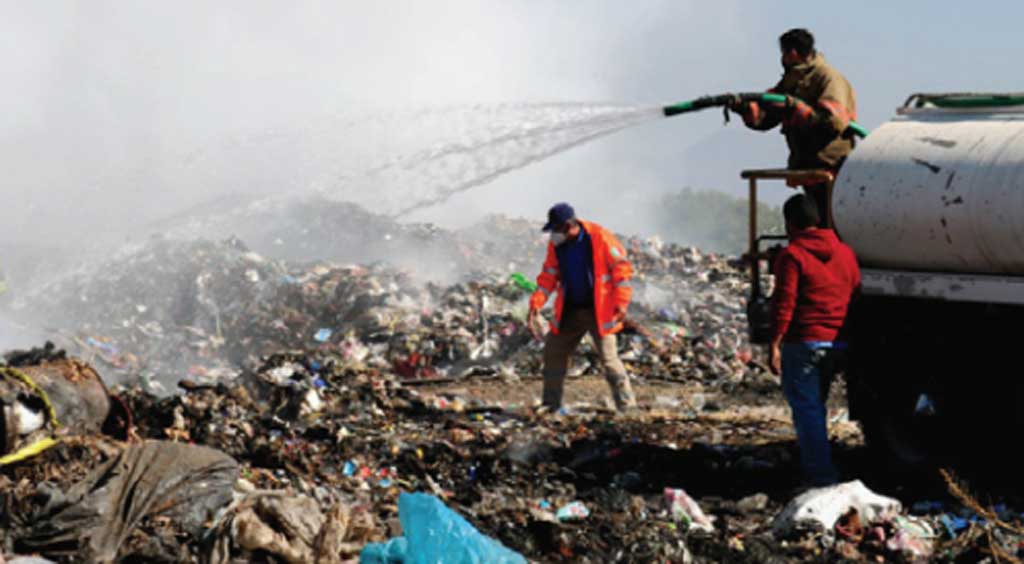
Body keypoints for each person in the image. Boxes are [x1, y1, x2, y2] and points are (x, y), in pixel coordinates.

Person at [770, 194, 861, 487]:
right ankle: (820, 467)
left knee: (808, 410)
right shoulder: (845, 253)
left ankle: (821, 478)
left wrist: (775, 342)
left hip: (805, 342)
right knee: (816, 406)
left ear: (790, 223)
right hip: (840, 342)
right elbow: (855, 290)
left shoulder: (793, 255)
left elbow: (786, 301)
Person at [733, 28, 857, 226]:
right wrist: (745, 109)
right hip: (808, 168)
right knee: (813, 224)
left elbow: (834, 123)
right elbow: (766, 118)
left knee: (830, 225)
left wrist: (800, 110)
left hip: (831, 169)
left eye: (783, 53)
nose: (782, 59)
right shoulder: (792, 81)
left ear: (791, 53)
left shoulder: (827, 78)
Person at [527, 203, 637, 413]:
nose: (553, 236)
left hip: (601, 311)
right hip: (571, 311)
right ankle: (551, 405)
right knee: (554, 352)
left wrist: (621, 302)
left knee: (609, 359)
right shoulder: (557, 245)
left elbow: (621, 271)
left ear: (569, 226)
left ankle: (627, 407)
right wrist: (536, 302)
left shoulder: (599, 237)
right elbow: (549, 275)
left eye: (556, 230)